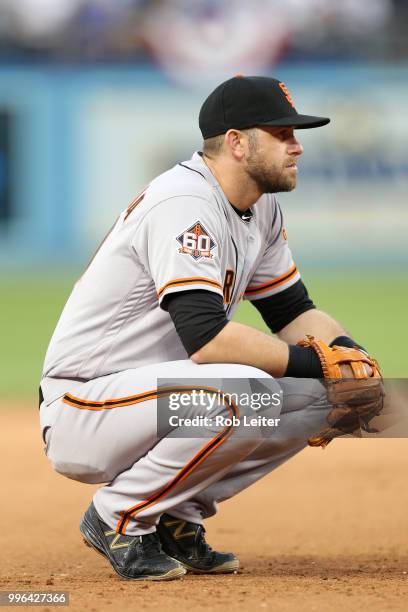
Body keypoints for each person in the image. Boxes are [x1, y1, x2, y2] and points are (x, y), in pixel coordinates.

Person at [39, 75, 375, 582]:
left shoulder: (260, 207)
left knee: (326, 393)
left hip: (162, 397)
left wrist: (349, 355)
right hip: (87, 408)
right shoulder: (184, 203)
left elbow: (291, 311)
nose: (297, 145)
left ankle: (177, 515)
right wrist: (319, 359)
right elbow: (209, 341)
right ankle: (117, 518)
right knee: (248, 392)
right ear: (237, 142)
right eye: (282, 133)